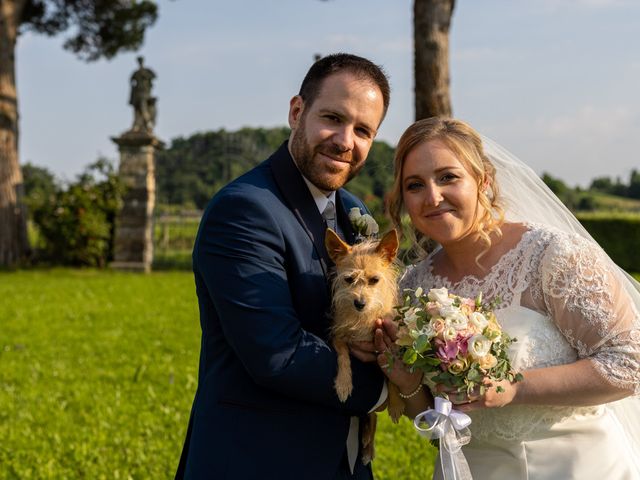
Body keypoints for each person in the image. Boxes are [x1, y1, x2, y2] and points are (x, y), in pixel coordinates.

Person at [375, 117, 640, 479]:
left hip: (578, 465)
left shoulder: (551, 256)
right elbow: (435, 418)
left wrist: (513, 387)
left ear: (483, 180)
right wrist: (407, 385)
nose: (433, 197)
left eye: (448, 177)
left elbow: (629, 364)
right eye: (415, 185)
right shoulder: (412, 287)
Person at [175, 53, 391, 480]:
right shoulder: (244, 209)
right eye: (333, 117)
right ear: (297, 112)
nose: (346, 141)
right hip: (260, 458)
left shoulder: (352, 210)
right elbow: (277, 353)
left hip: (343, 460)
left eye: (363, 130)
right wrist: (390, 388)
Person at [129, 56, 156, 132]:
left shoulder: (147, 71)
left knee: (143, 108)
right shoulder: (136, 73)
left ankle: (147, 124)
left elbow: (154, 76)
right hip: (138, 93)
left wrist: (146, 78)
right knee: (137, 110)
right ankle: (138, 125)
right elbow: (131, 82)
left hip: (145, 93)